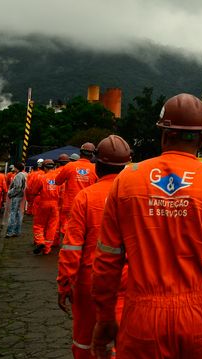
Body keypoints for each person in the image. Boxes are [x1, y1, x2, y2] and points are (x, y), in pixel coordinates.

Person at [91, 94, 202, 358]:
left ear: (163, 133)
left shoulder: (127, 180)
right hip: (200, 323)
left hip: (141, 321)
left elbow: (107, 262)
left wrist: (104, 317)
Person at [58, 135, 132, 358]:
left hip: (90, 281)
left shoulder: (86, 197)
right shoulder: (137, 197)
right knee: (124, 342)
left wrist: (64, 283)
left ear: (97, 165)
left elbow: (72, 247)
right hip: (129, 280)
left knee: (84, 342)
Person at [55, 145, 98, 246]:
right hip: (88, 205)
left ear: (80, 153)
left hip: (70, 204)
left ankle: (68, 249)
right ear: (92, 155)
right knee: (84, 229)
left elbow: (57, 181)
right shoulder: (95, 169)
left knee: (68, 229)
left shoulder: (70, 166)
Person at [26, 159, 61, 255]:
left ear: (44, 167)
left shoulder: (41, 177)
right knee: (52, 227)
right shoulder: (59, 178)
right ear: (53, 166)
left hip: (43, 203)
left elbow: (33, 191)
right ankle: (47, 248)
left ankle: (40, 241)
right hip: (55, 205)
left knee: (38, 225)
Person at [5, 163, 27, 238]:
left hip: (16, 196)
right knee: (18, 214)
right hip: (21, 196)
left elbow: (17, 187)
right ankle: (17, 231)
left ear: (16, 168)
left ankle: (10, 232)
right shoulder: (24, 174)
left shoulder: (18, 176)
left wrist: (10, 193)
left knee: (13, 214)